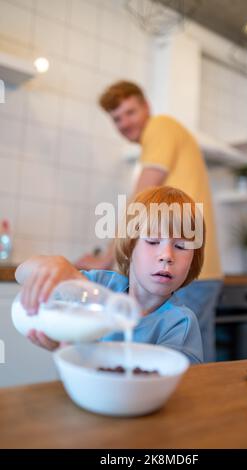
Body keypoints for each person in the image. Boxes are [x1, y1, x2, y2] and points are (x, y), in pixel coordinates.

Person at [76, 81, 223, 361]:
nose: (124, 123)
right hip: (196, 267)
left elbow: (138, 207)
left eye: (130, 112)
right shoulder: (160, 139)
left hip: (189, 272)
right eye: (116, 118)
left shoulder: (160, 126)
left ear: (147, 107)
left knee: (182, 368)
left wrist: (105, 259)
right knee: (193, 364)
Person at [15, 186, 205, 364]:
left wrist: (80, 351)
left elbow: (164, 382)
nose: (167, 256)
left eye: (181, 246)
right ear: (130, 247)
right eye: (153, 241)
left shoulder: (179, 324)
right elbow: (21, 273)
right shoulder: (99, 286)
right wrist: (54, 266)